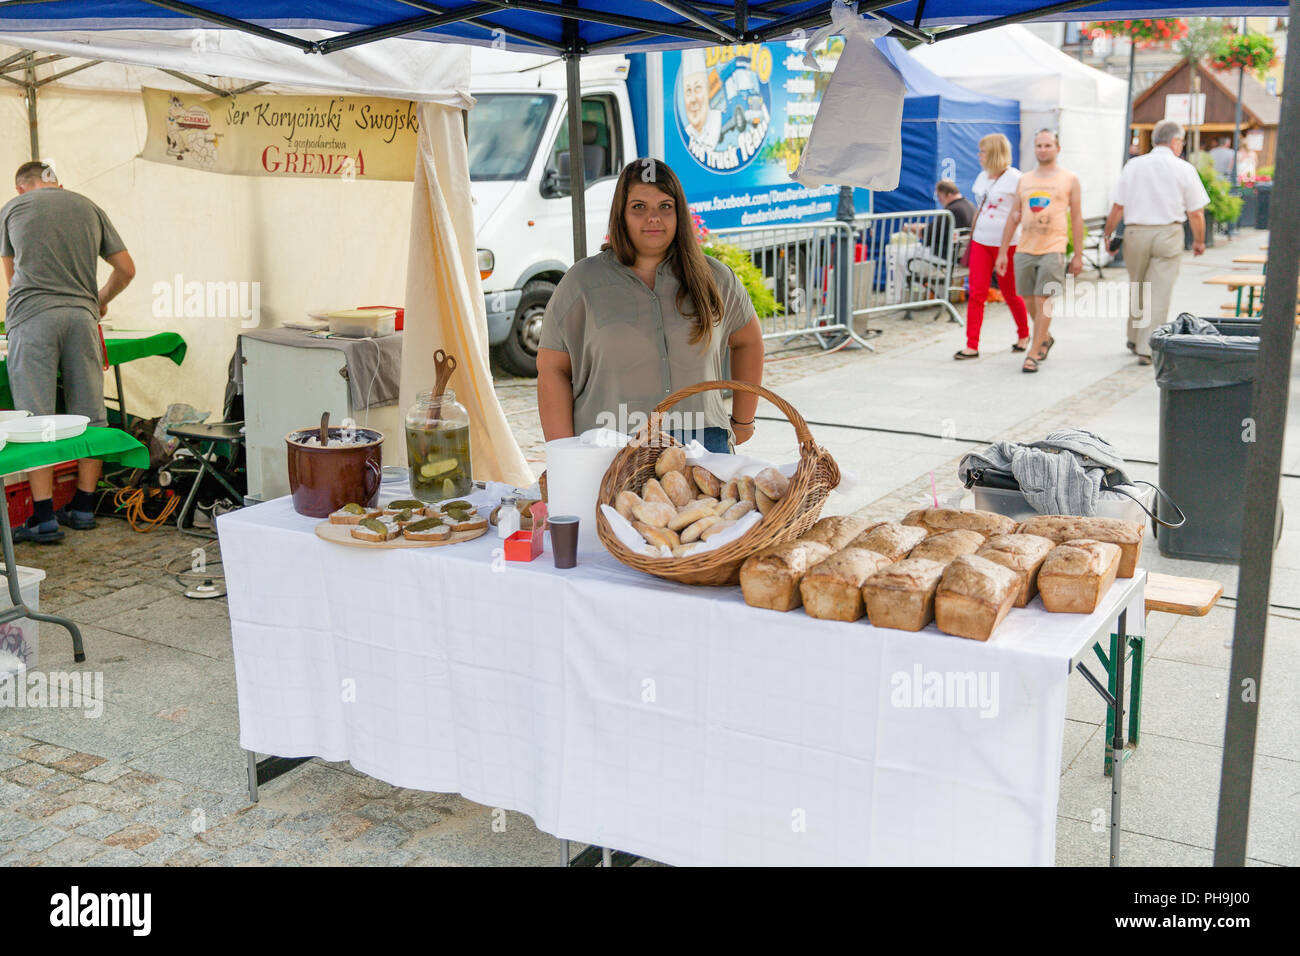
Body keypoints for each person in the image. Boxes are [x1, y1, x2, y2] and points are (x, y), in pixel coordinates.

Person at [537, 159, 764, 453]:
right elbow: (552, 369)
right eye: (639, 207)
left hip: (704, 449)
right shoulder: (581, 282)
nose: (653, 218)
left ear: (679, 213)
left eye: (665, 206)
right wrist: (565, 453)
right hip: (611, 446)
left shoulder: (716, 279)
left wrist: (743, 422)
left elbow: (748, 341)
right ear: (621, 214)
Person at [0, 162, 134, 543]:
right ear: (58, 184)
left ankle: (43, 518)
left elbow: (12, 280)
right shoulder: (88, 206)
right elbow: (125, 268)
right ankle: (84, 507)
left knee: (34, 418)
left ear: (21, 187)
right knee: (91, 414)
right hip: (81, 318)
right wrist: (98, 301)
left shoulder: (12, 208)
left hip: (32, 317)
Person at [1103, 119, 1209, 366]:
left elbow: (1118, 206)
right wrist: (1200, 241)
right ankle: (1146, 347)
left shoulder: (1133, 165)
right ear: (1174, 142)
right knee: (1158, 292)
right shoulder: (1183, 168)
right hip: (1168, 233)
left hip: (1135, 232)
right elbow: (1196, 213)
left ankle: (1133, 337)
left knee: (1138, 286)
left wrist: (1108, 234)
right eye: (1181, 141)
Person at [995, 129, 1083, 374]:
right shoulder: (1025, 179)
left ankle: (1033, 353)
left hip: (1053, 247)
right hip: (1025, 247)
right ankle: (1045, 336)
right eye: (1039, 146)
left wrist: (1077, 254)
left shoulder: (1069, 179)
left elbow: (1076, 218)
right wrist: (1003, 252)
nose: (1043, 150)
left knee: (1044, 300)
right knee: (1029, 299)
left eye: (1048, 145)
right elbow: (1013, 217)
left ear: (1057, 148)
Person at [955, 133, 1030, 360]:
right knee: (977, 292)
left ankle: (1024, 334)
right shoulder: (982, 177)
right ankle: (972, 344)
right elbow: (980, 206)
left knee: (1010, 292)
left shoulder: (1016, 178)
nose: (979, 156)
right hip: (980, 241)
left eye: (983, 151)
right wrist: (971, 233)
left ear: (995, 153)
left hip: (1007, 244)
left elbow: (1020, 212)